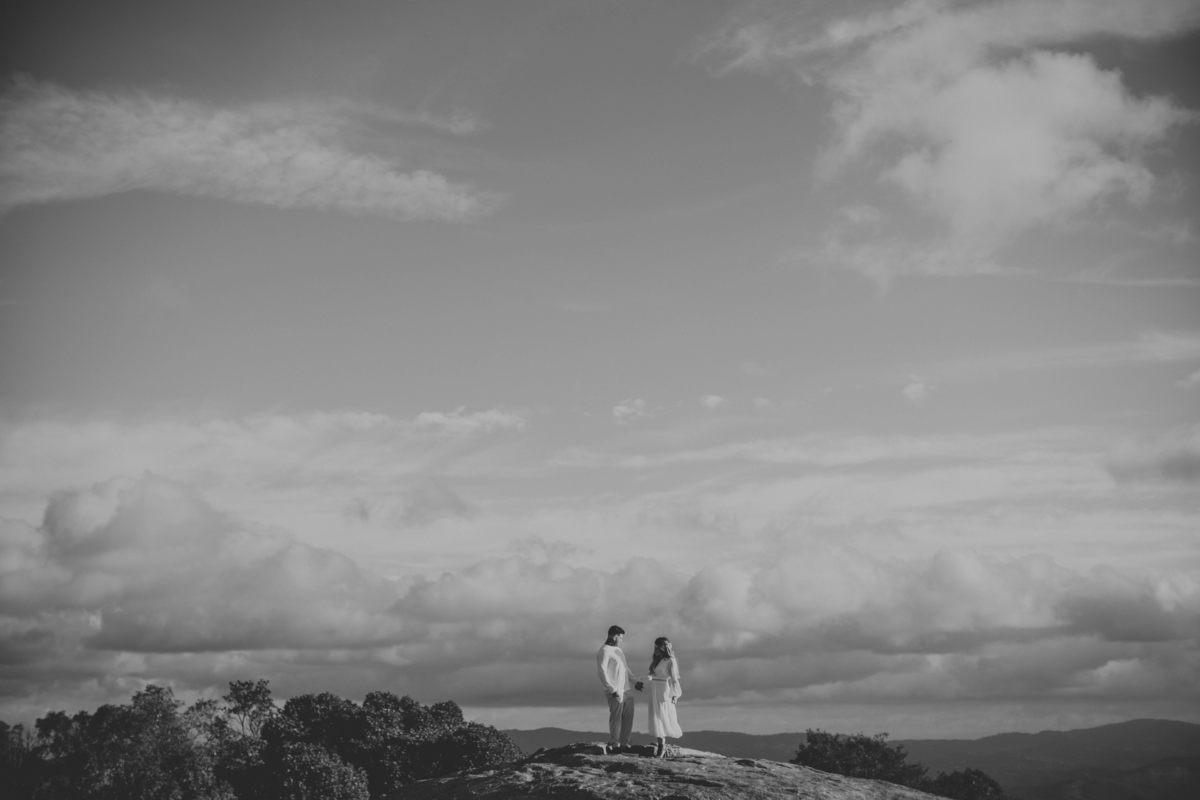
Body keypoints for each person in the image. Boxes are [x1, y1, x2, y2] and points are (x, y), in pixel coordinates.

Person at [596, 624, 641, 753]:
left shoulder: (619, 651)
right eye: (620, 637)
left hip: (627, 689)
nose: (621, 640)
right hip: (615, 690)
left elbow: (625, 668)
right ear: (614, 636)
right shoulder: (604, 651)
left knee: (628, 717)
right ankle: (614, 744)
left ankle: (624, 743)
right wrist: (612, 689)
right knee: (616, 718)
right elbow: (602, 672)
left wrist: (635, 682)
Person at [645, 636, 682, 757]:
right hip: (654, 689)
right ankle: (660, 744)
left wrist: (675, 695)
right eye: (655, 646)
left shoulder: (670, 660)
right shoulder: (657, 659)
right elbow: (653, 674)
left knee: (661, 715)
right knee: (655, 716)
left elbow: (674, 679)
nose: (656, 648)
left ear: (664, 647)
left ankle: (662, 746)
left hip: (663, 690)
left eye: (658, 646)